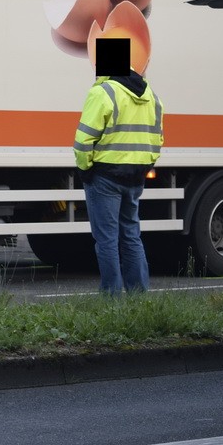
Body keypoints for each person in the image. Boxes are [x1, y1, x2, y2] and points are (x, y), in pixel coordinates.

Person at [74, 66, 163, 296]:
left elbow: (84, 140)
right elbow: (157, 138)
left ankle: (112, 298)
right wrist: (144, 167)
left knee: (107, 240)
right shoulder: (150, 95)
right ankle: (138, 295)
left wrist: (85, 169)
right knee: (131, 235)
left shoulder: (103, 92)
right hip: (135, 177)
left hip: (104, 176)